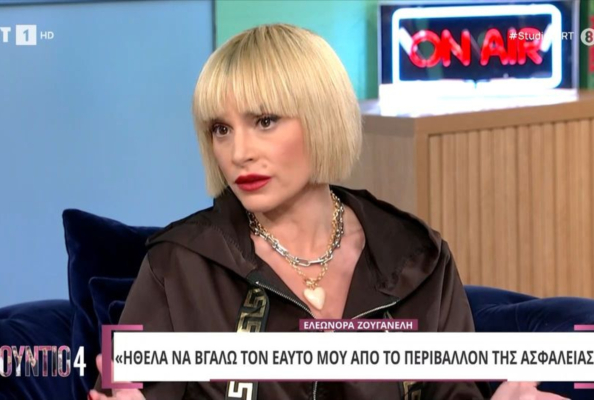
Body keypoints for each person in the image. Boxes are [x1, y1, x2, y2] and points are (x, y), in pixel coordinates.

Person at [89, 23, 567, 400]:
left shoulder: (418, 258)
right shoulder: (176, 265)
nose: (239, 153)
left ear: (323, 119)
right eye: (221, 129)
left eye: (265, 121)